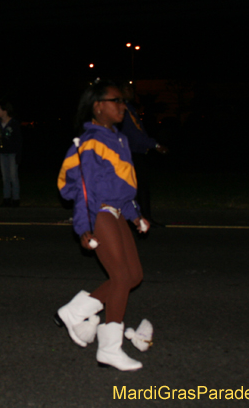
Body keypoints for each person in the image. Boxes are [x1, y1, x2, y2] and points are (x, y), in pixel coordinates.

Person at [55, 79, 150, 371]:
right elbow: (84, 191)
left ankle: (76, 311)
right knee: (121, 277)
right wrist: (84, 228)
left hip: (118, 212)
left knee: (134, 275)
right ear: (98, 107)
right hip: (99, 213)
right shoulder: (90, 142)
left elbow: (121, 185)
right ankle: (109, 348)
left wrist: (135, 215)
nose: (123, 106)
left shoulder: (118, 139)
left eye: (123, 101)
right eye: (116, 101)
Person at [118, 82, 167, 226]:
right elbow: (134, 133)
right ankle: (143, 218)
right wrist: (155, 145)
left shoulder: (130, 108)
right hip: (130, 153)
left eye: (132, 89)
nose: (131, 91)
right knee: (140, 187)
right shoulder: (123, 109)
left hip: (134, 151)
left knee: (136, 187)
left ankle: (138, 218)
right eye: (127, 89)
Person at [0, 99, 22, 207]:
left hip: (12, 154)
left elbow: (19, 140)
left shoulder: (14, 123)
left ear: (5, 111)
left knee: (13, 176)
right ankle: (6, 198)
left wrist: (18, 156)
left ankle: (16, 199)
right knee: (5, 177)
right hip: (2, 154)